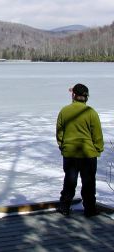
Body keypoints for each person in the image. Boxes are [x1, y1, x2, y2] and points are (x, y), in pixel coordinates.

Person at [56, 83, 104, 217]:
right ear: (86, 97)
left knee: (69, 182)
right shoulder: (90, 112)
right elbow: (97, 134)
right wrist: (98, 148)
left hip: (70, 154)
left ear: (74, 95)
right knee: (88, 183)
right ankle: (90, 209)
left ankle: (64, 206)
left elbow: (60, 132)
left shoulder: (64, 111)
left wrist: (63, 145)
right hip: (88, 154)